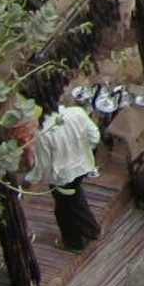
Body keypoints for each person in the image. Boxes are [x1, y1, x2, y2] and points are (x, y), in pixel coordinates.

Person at [29, 103, 103, 252]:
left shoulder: (43, 132)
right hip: (83, 166)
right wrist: (82, 152)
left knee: (64, 209)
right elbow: (95, 137)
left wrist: (32, 178)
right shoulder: (76, 112)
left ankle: (74, 243)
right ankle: (91, 229)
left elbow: (43, 164)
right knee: (76, 197)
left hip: (61, 176)